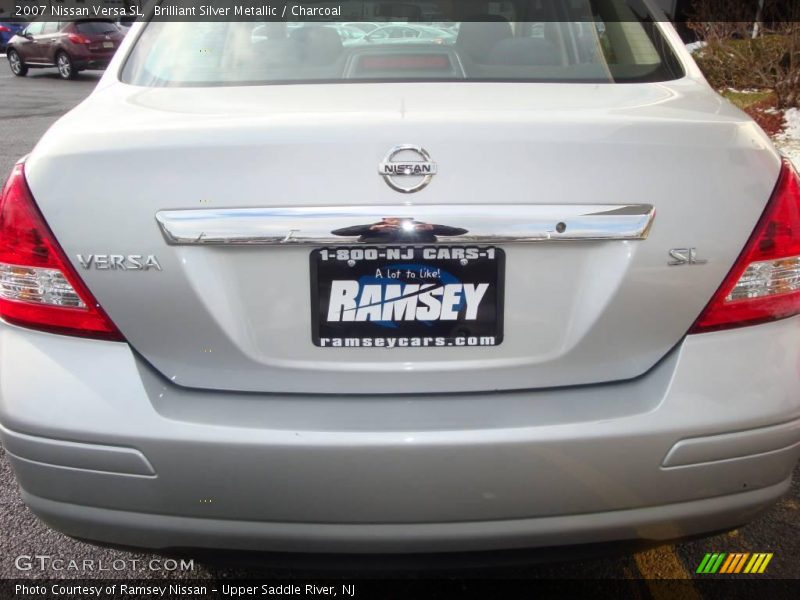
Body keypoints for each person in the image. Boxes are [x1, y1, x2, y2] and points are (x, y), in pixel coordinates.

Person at [331, 217, 467, 243]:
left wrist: (433, 228)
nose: (395, 220)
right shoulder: (374, 227)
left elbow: (459, 231)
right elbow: (339, 232)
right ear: (384, 218)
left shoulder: (420, 226)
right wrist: (371, 228)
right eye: (391, 219)